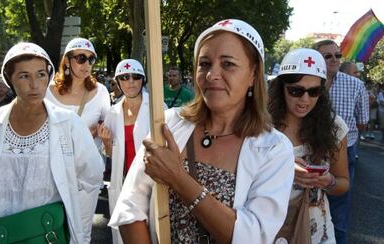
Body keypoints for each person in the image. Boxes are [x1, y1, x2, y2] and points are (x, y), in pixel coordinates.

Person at [109, 19, 295, 244]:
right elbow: (130, 206)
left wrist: (178, 178)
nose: (211, 75)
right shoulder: (169, 124)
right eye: (204, 64)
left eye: (228, 64)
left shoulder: (274, 149)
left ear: (254, 74)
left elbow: (251, 237)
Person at [0, 42, 104, 243]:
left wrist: (80, 232)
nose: (34, 84)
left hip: (49, 234)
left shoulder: (68, 123)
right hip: (0, 234)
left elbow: (91, 178)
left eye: (41, 74)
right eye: (24, 76)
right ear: (10, 79)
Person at [269, 48, 349, 243]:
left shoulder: (334, 127)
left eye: (314, 91)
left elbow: (343, 183)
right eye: (296, 90)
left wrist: (328, 181)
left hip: (316, 230)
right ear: (281, 87)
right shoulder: (261, 124)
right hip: (267, 225)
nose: (304, 100)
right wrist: (283, 168)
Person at [98, 59, 160, 244]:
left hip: (151, 182)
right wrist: (106, 142)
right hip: (123, 184)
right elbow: (110, 154)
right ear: (118, 81)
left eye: (136, 77)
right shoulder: (113, 112)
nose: (130, 81)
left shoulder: (157, 108)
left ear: (143, 80)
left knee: (153, 233)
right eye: (125, 77)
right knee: (125, 235)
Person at [313, 39, 369, 244]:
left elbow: (363, 122)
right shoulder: (306, 82)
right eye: (328, 56)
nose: (334, 59)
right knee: (304, 208)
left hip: (343, 154)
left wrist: (344, 134)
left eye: (338, 55)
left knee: (338, 213)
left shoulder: (356, 85)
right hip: (308, 152)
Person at [46, 37, 111, 143]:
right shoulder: (47, 91)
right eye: (81, 58)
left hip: (89, 158)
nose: (87, 64)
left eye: (91, 59)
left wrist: (97, 132)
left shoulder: (101, 92)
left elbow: (108, 127)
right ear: (67, 61)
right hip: (56, 158)